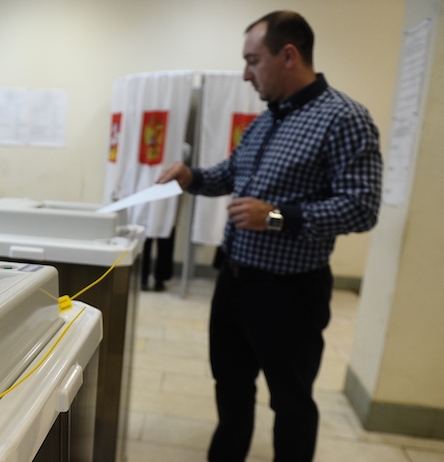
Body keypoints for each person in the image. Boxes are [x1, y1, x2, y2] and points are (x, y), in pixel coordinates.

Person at [157, 11, 382, 461]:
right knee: (230, 387)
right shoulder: (265, 121)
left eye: (252, 60)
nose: (246, 74)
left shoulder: (344, 118)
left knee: (291, 403)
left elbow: (362, 207)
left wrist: (276, 218)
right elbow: (230, 174)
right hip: (234, 284)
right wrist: (191, 176)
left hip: (290, 294)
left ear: (289, 55)